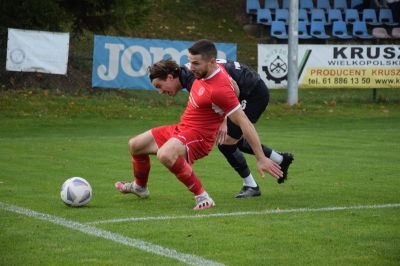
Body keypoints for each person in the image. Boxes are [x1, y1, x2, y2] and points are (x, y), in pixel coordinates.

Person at [115, 39, 283, 210]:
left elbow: (244, 122)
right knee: (135, 145)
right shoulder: (199, 74)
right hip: (183, 127)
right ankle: (140, 187)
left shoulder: (219, 88)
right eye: (190, 61)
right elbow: (234, 87)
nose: (190, 67)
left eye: (195, 63)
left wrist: (261, 158)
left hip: (199, 136)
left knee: (165, 155)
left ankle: (203, 197)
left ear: (211, 62)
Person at [148, 58, 294, 198]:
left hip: (252, 94)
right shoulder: (189, 74)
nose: (160, 92)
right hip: (241, 91)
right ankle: (280, 159)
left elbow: (228, 86)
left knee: (226, 140)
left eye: (159, 86)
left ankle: (252, 185)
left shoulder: (193, 78)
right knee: (230, 139)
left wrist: (223, 120)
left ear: (170, 77)